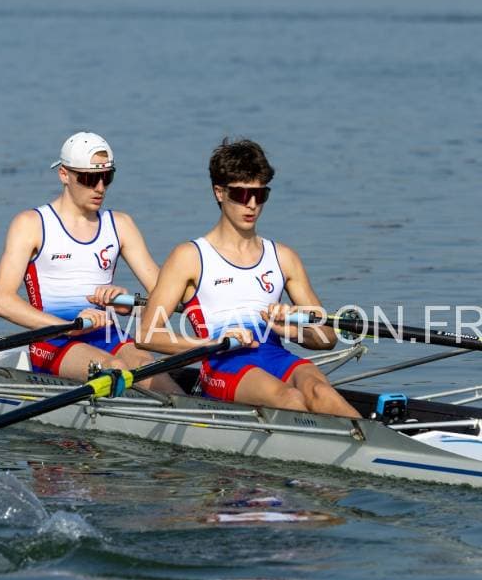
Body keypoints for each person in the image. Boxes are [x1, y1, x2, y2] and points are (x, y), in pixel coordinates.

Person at [137, 138, 359, 417]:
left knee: (320, 392)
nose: (252, 205)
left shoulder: (284, 257)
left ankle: (373, 442)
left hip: (275, 356)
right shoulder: (189, 257)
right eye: (241, 195)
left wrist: (291, 329)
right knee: (290, 397)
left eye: (260, 195)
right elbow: (146, 335)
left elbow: (327, 338)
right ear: (219, 192)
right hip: (223, 363)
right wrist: (210, 343)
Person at [0, 131, 179, 393]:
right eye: (90, 179)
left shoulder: (121, 225)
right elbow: (2, 302)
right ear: (64, 175)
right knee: (115, 367)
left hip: (108, 335)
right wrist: (68, 328)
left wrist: (128, 305)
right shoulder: (31, 225)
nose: (100, 187)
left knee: (152, 372)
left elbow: (164, 301)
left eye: (107, 177)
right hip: (53, 340)